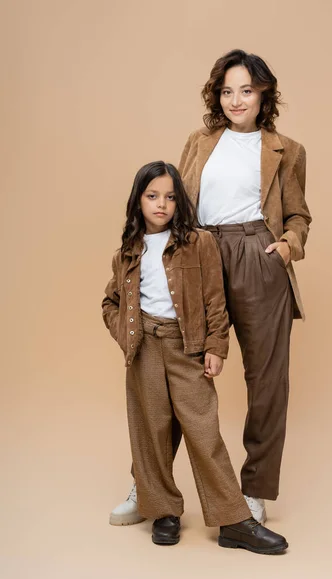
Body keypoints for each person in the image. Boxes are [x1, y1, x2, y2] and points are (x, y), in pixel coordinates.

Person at [110, 49, 311, 530]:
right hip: (199, 254)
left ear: (264, 94)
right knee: (176, 375)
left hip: (256, 256)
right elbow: (177, 203)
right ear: (216, 96)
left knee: (266, 383)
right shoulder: (199, 142)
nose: (235, 99)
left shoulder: (287, 149)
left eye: (246, 90)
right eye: (226, 90)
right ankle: (150, 486)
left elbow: (299, 215)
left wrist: (286, 246)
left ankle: (254, 491)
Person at [102, 160, 288, 553]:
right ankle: (164, 510)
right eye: (152, 196)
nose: (161, 204)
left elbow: (215, 302)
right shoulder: (127, 251)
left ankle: (234, 520)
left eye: (170, 197)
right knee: (150, 432)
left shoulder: (198, 243)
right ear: (138, 201)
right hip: (144, 349)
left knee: (204, 432)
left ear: (180, 202)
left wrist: (215, 347)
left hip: (185, 347)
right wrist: (126, 335)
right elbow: (111, 301)